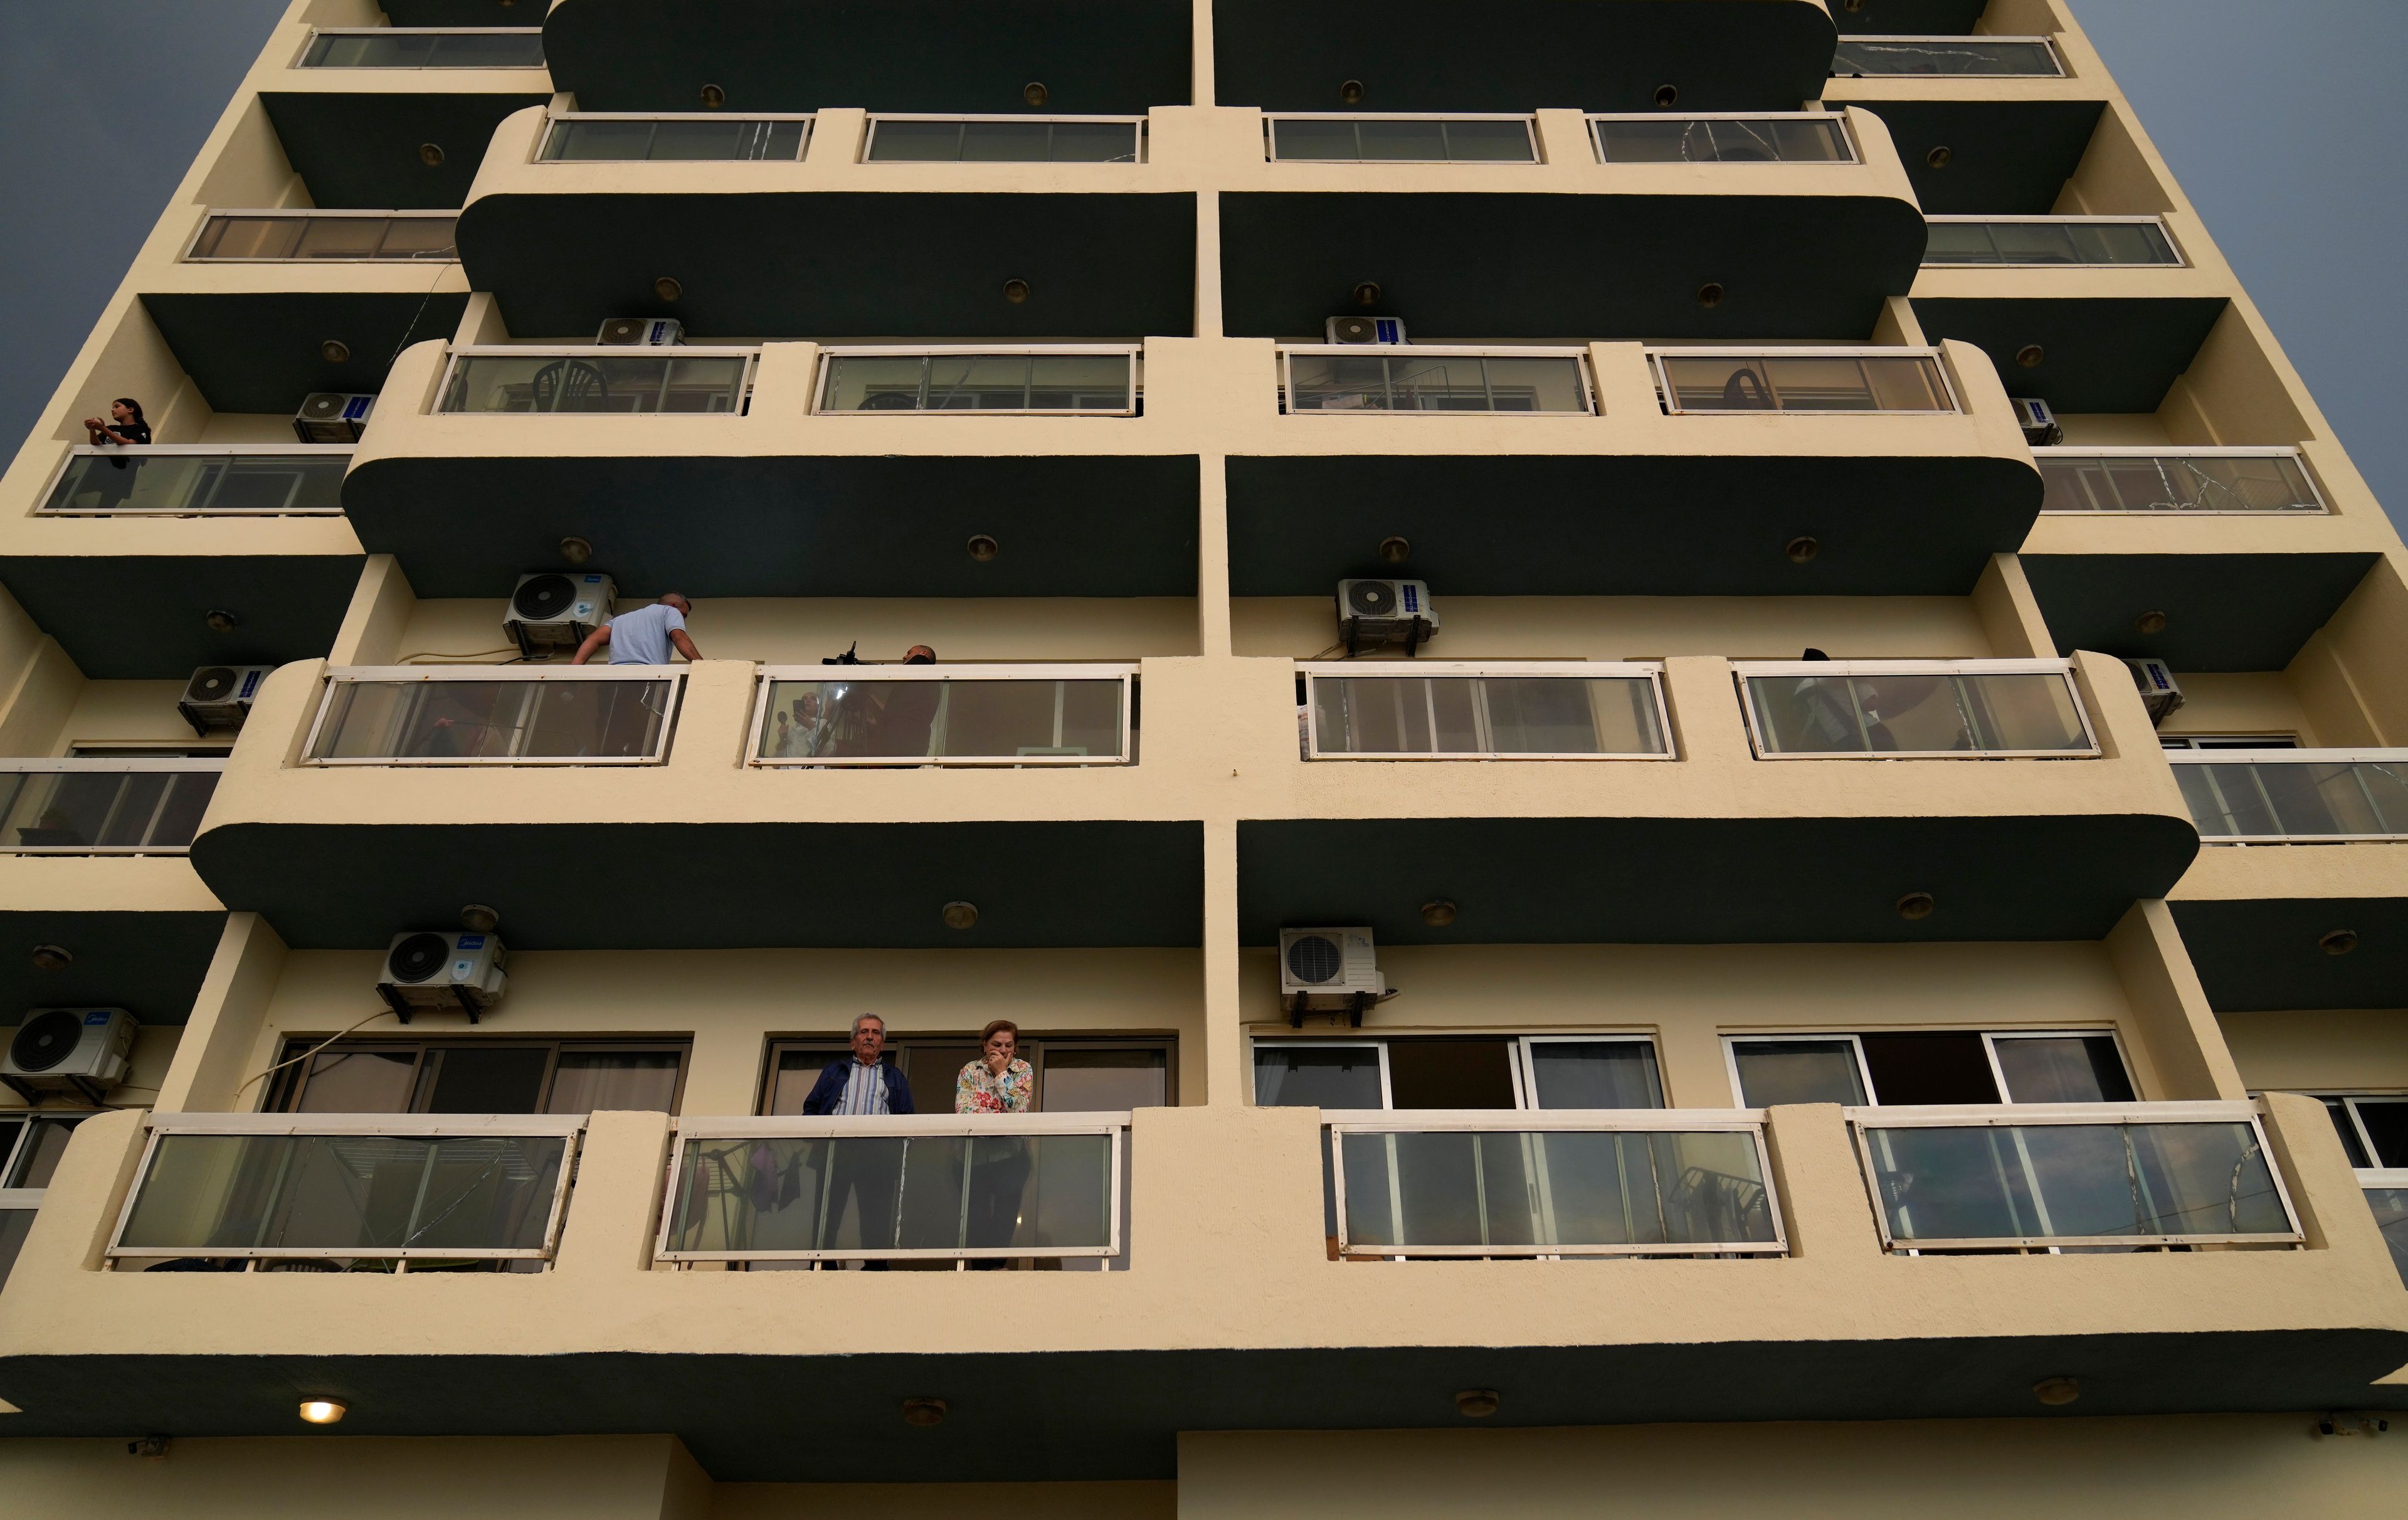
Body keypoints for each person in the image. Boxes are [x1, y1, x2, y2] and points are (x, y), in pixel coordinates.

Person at [798, 1013, 914, 1268]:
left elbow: (907, 1118)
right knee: (827, 1214)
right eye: (864, 1032)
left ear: (882, 1043)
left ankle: (874, 1269)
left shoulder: (894, 1077)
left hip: (877, 1156)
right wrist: (816, 1139)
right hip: (835, 1152)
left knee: (876, 1217)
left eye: (875, 1033)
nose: (870, 1037)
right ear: (853, 1042)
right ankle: (821, 1266)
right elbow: (812, 1107)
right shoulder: (835, 1072)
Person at [954, 1019, 1034, 1267]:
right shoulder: (970, 1071)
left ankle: (997, 1267)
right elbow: (964, 1113)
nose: (1002, 1051)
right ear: (984, 1045)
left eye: (1009, 1045)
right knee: (976, 1219)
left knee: (1005, 1218)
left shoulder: (1023, 1070)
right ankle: (980, 1271)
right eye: (996, 1045)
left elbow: (1019, 1110)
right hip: (972, 1158)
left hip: (1011, 1158)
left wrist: (1001, 1074)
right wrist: (1000, 1116)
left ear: (1016, 1047)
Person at [570, 593, 699, 666]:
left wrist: (574, 671)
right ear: (673, 606)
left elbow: (593, 639)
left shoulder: (619, 620)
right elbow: (679, 637)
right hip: (645, 678)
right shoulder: (670, 611)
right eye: (684, 615)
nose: (682, 619)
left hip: (612, 679)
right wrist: (703, 665)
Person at [75, 398, 150, 511]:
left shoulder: (140, 429)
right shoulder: (111, 429)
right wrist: (92, 430)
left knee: (103, 512)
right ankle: (73, 519)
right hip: (98, 473)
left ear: (130, 409)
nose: (112, 410)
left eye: (117, 406)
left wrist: (102, 428)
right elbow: (96, 444)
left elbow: (129, 444)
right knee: (62, 490)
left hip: (121, 478)